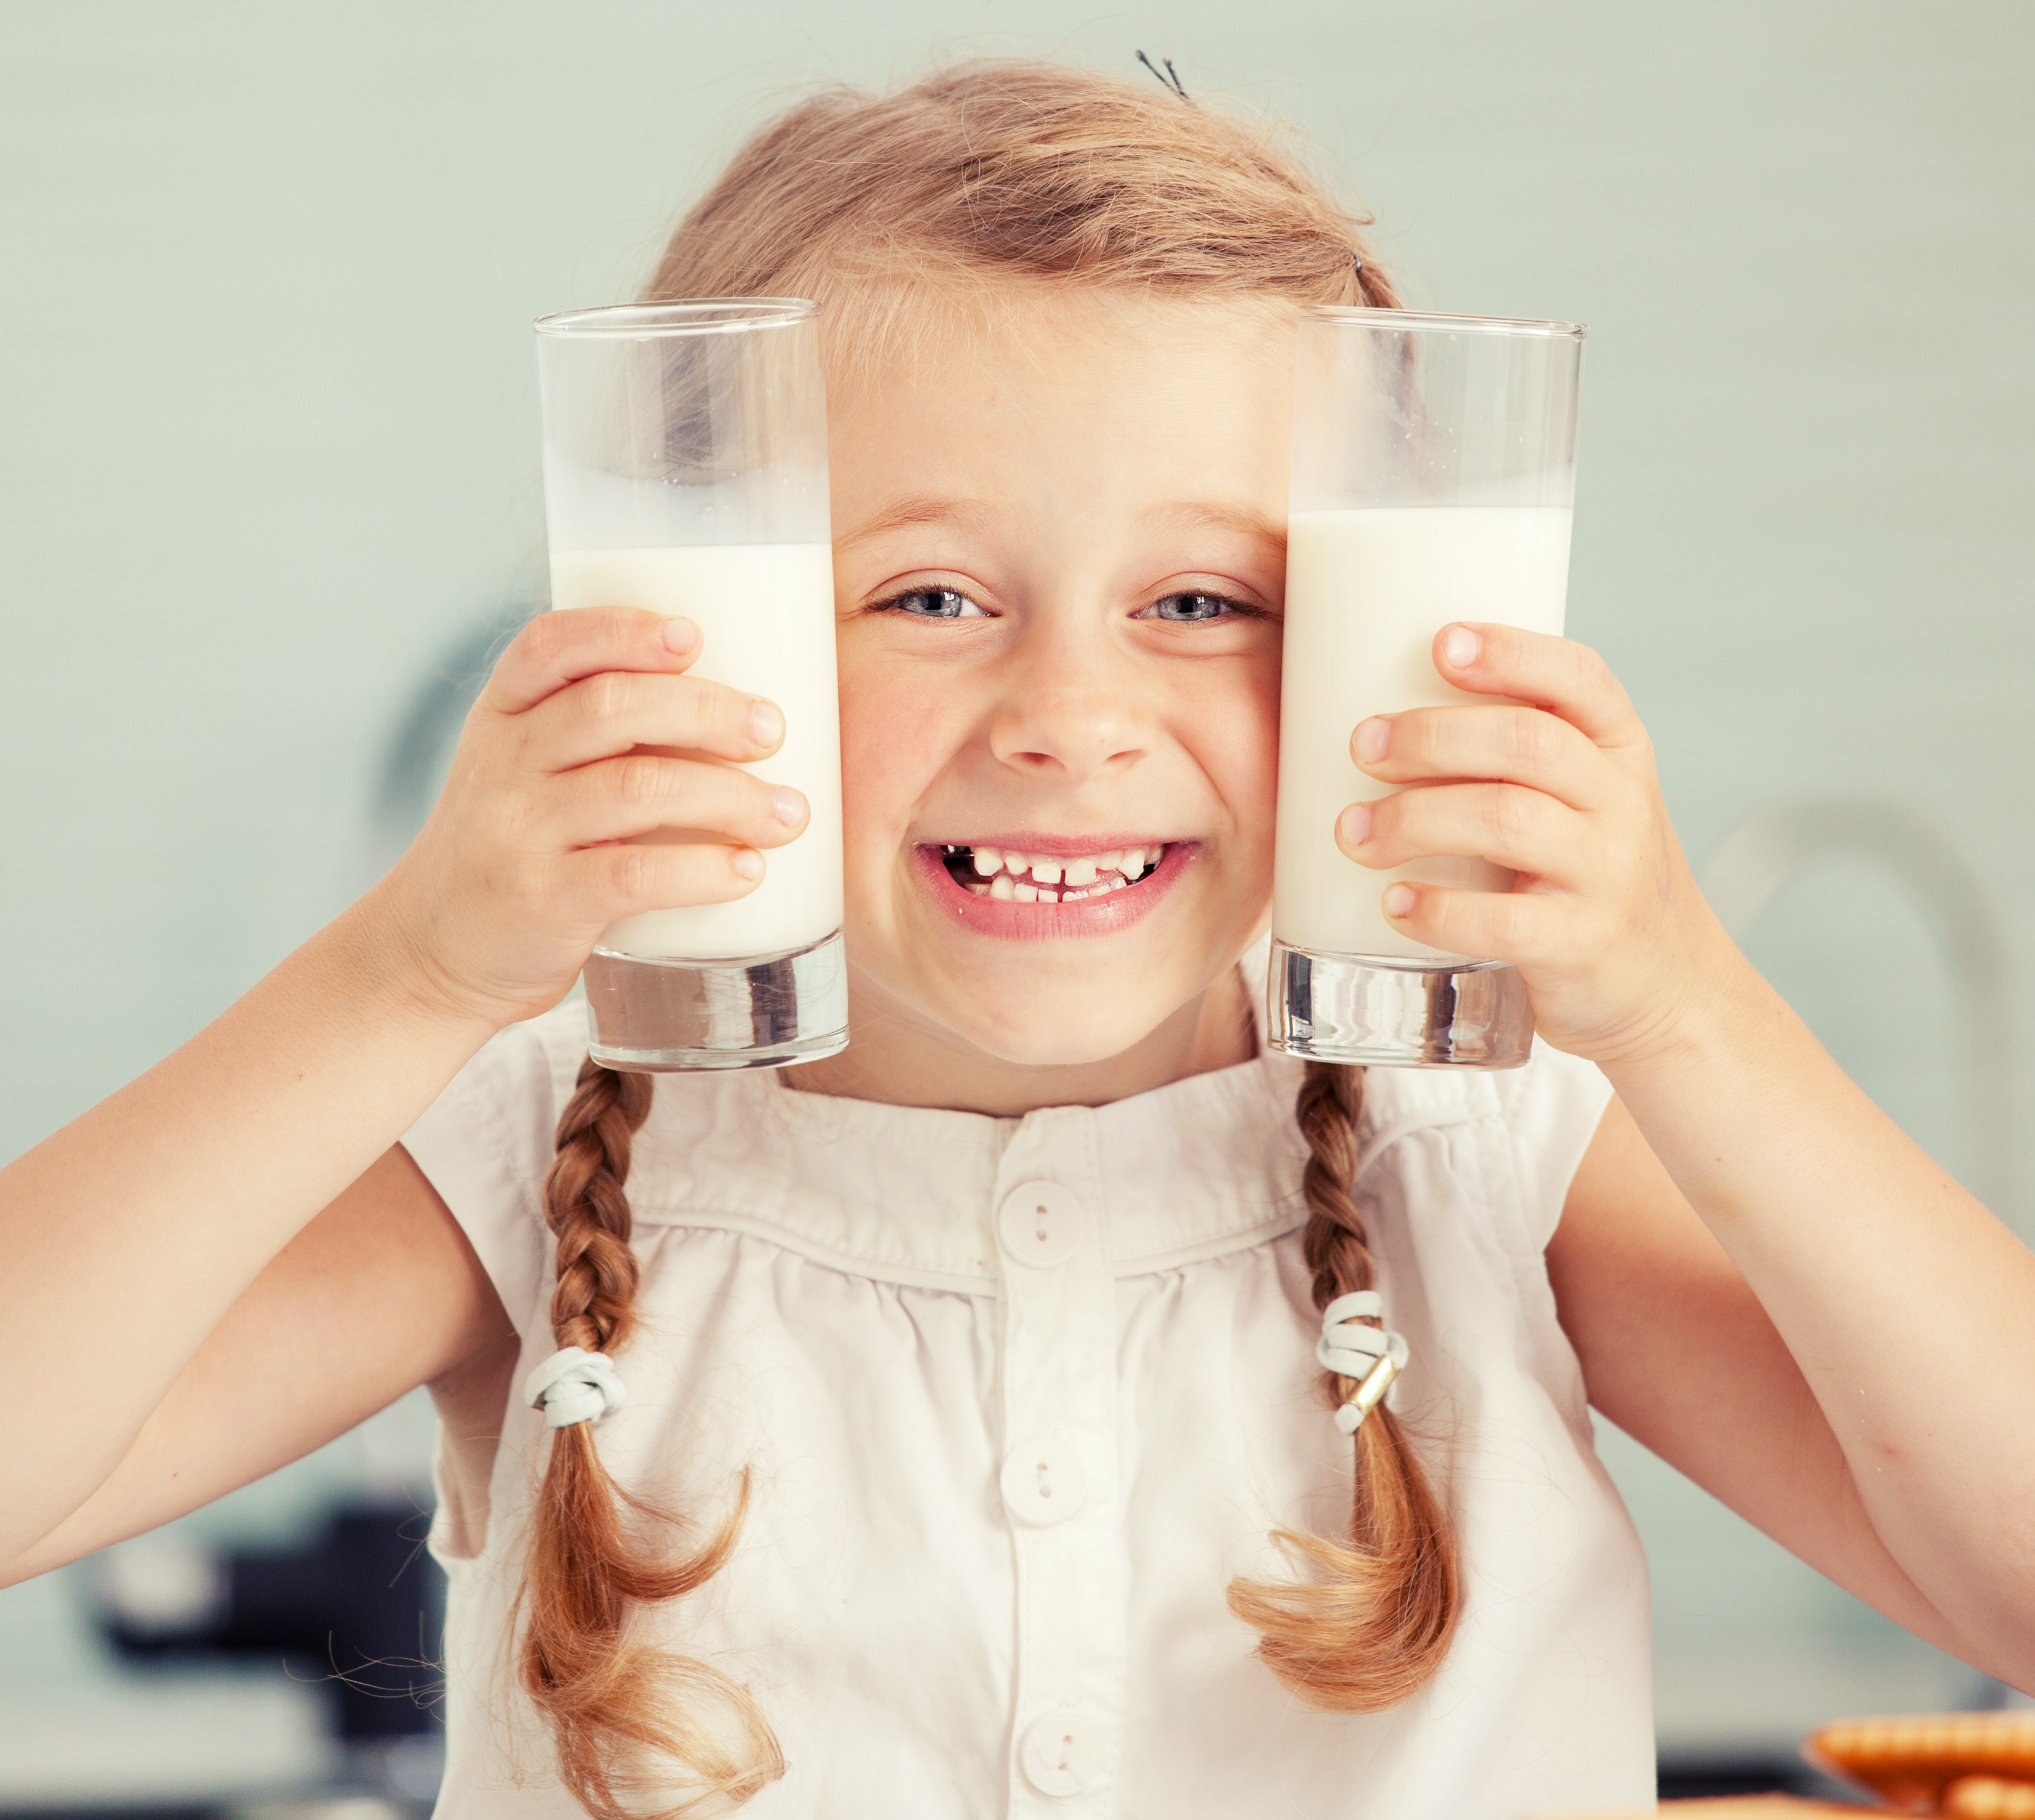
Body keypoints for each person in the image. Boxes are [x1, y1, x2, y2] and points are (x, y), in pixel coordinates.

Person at [2, 58, 2031, 1820]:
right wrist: (412, 973)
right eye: (931, 600)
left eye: (1202, 603)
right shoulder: (527, 1157)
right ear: (711, 619)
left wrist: (1690, 1010)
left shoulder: (1485, 1144)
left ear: (1358, 643)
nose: (1070, 713)